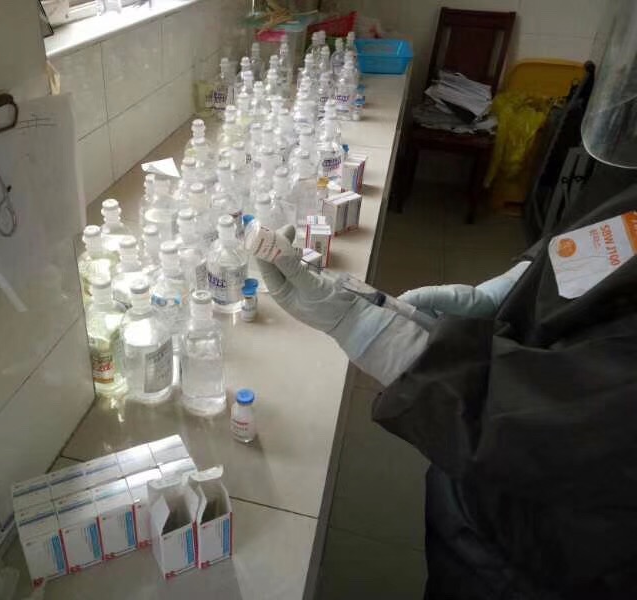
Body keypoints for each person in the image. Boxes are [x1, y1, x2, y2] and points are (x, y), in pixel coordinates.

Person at [256, 3, 637, 597]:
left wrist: (370, 329)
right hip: (486, 494)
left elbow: (580, 424)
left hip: (551, 555)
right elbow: (612, 238)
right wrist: (512, 288)